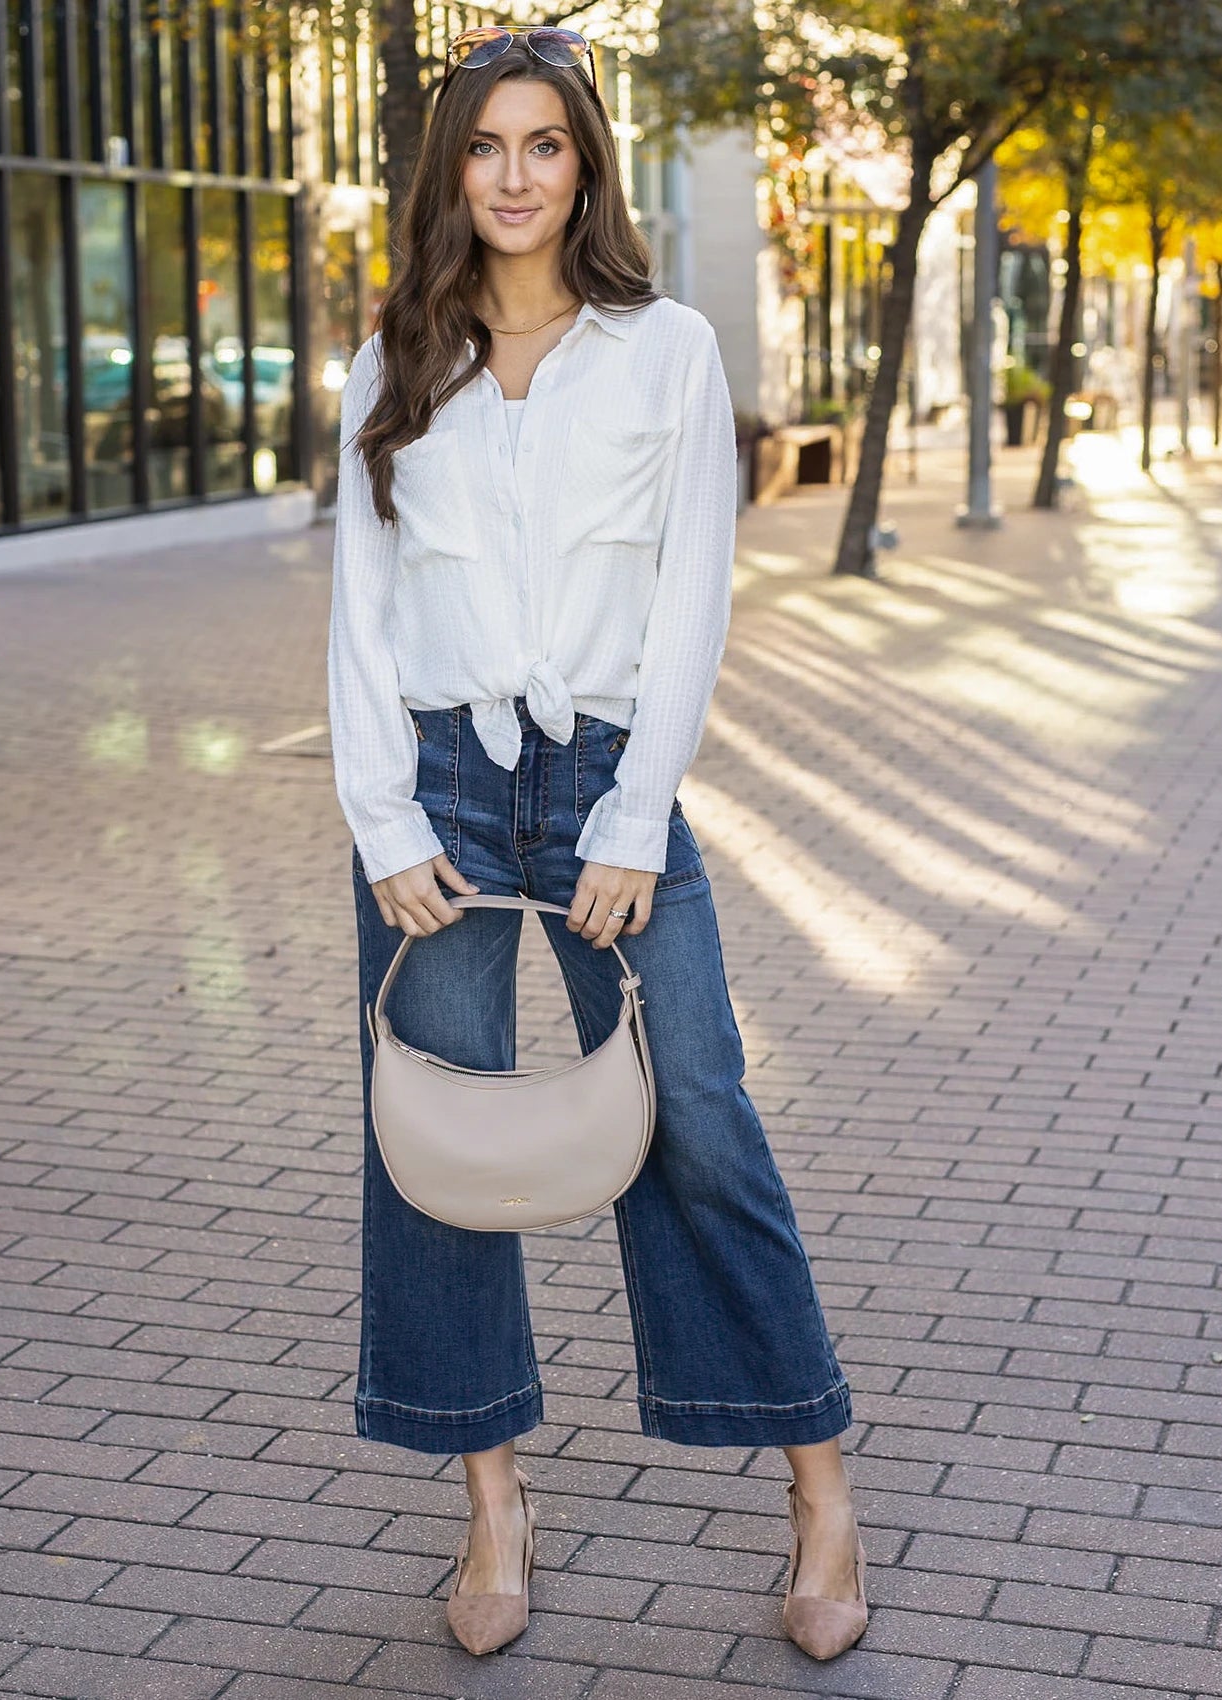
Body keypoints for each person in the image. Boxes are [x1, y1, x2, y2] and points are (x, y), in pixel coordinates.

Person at [326, 22, 867, 1663]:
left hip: (605, 783)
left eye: (541, 146)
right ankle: (492, 1504)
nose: (509, 178)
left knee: (694, 1115)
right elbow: (356, 606)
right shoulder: (393, 358)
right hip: (438, 778)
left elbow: (690, 592)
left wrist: (635, 816)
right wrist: (379, 819)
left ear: (584, 164)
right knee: (433, 1143)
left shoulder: (665, 349)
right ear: (451, 169)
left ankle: (818, 1484)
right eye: (482, 149)